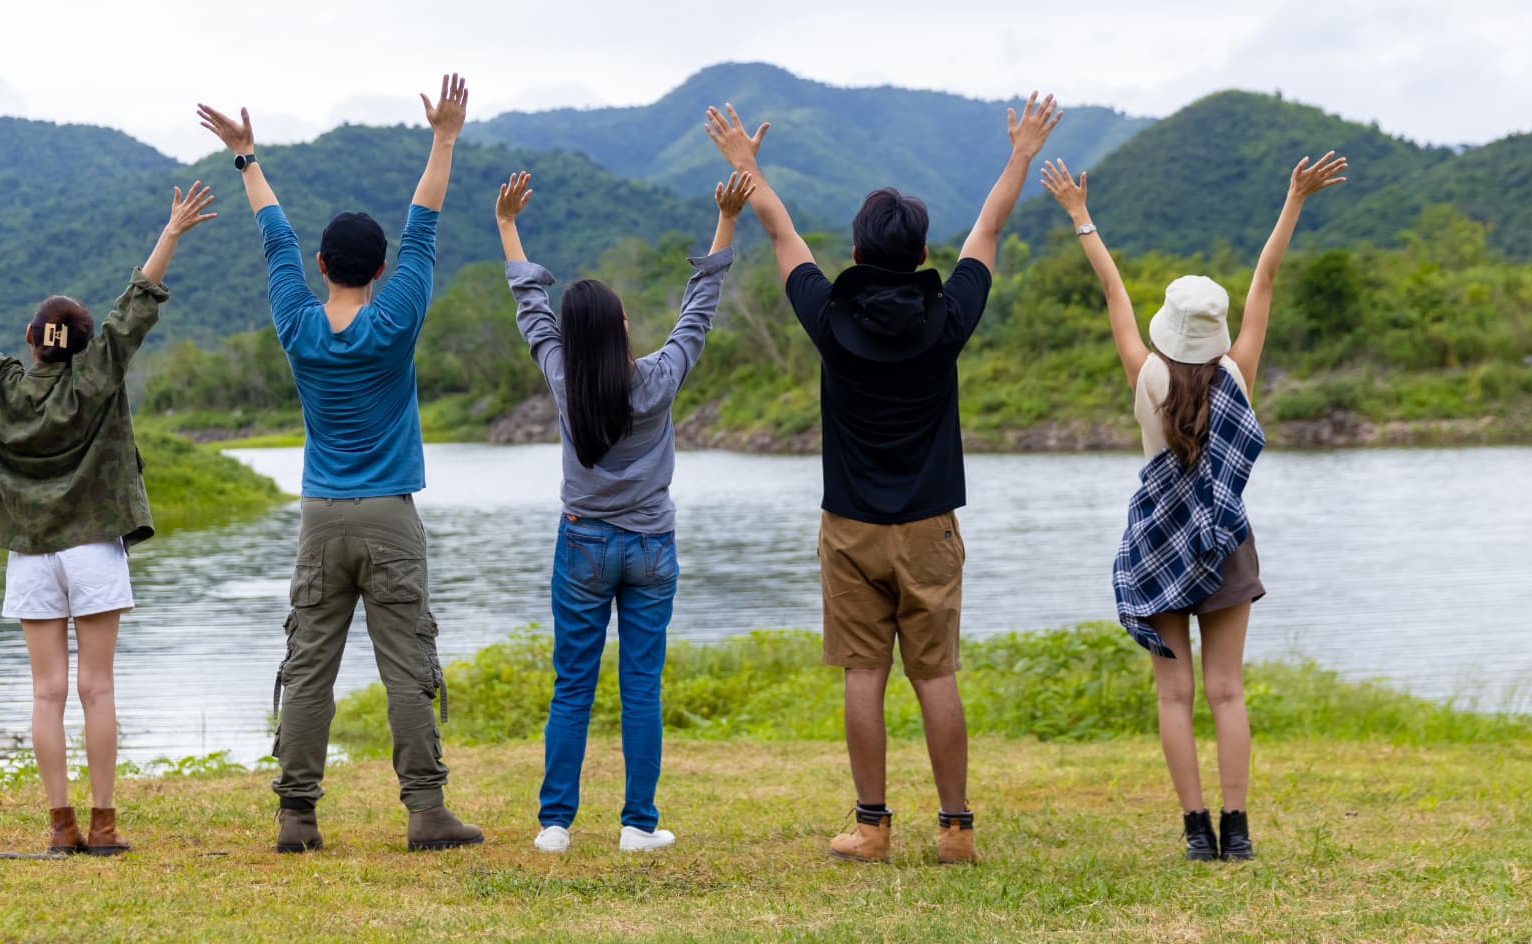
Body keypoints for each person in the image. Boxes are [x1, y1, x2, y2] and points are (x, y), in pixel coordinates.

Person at [706, 92, 1063, 865]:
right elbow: (991, 227)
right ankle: (956, 833)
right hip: (930, 525)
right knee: (936, 677)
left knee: (863, 673)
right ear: (922, 253)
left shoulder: (830, 317)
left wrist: (745, 163)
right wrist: (1021, 153)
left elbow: (781, 229)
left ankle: (871, 827)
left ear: (860, 256)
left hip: (851, 526)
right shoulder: (948, 317)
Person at [0, 182, 218, 857]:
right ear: (83, 347)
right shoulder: (97, 379)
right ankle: (105, 824)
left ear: (32, 344)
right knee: (97, 688)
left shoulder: (0, 387)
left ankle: (59, 828)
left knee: (48, 693)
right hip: (93, 550)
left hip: (31, 555)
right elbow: (134, 310)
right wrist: (173, 231)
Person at [197, 75, 484, 854]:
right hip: (391, 513)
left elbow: (273, 237)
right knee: (406, 666)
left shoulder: (296, 321)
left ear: (323, 264)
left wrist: (246, 156)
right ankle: (426, 813)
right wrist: (445, 135)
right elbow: (424, 221)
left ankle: (296, 817)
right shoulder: (396, 316)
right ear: (383, 268)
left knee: (310, 665)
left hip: (320, 515)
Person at [1036, 149, 1348, 862]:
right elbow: (1267, 278)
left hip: (1157, 542)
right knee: (1227, 693)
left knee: (1174, 698)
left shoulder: (1145, 375)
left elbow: (1113, 292)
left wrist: (1081, 217)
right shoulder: (1237, 377)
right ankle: (1238, 833)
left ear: (1168, 325)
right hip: (1225, 539)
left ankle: (1195, 833)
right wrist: (1294, 198)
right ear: (1216, 328)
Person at [494, 167, 755, 854]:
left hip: (582, 546)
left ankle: (555, 824)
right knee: (641, 687)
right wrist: (725, 219)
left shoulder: (561, 379)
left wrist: (507, 224)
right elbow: (700, 305)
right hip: (650, 547)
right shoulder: (661, 379)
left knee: (572, 686)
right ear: (621, 326)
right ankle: (638, 824)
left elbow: (531, 306)